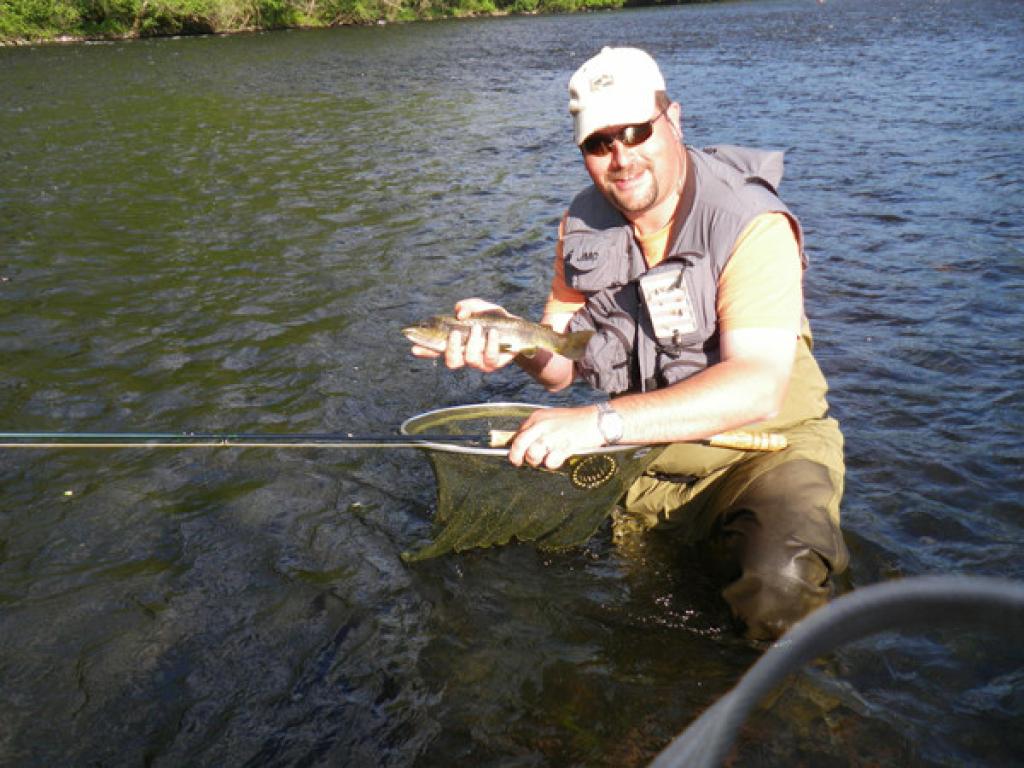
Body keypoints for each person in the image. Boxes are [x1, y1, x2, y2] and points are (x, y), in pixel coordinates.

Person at [408, 46, 849, 642]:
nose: (621, 157)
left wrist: (597, 424)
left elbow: (758, 385)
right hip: (643, 467)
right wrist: (510, 337)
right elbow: (561, 361)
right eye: (599, 143)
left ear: (673, 119)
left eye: (636, 131)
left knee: (779, 585)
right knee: (645, 637)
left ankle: (800, 717)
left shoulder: (750, 221)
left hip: (760, 456)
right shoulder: (581, 224)